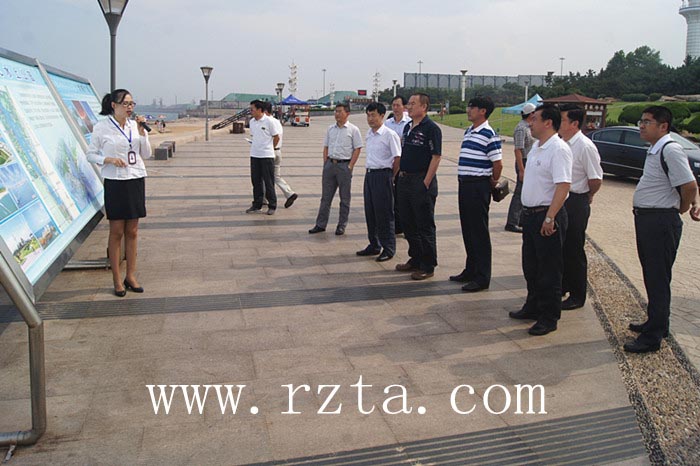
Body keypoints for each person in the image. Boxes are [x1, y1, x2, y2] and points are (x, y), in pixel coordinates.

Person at [625, 106, 700, 353]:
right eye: (641, 121)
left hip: (660, 221)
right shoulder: (656, 149)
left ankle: (653, 337)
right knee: (653, 274)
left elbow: (689, 185)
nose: (641, 126)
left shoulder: (670, 149)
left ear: (663, 126)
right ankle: (657, 322)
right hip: (649, 219)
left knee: (657, 277)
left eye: (647, 122)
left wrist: (681, 208)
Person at [508, 104, 572, 336]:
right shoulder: (537, 146)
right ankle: (533, 305)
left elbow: (563, 186)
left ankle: (549, 316)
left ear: (548, 123)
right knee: (531, 266)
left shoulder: (558, 149)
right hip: (530, 215)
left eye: (534, 119)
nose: (530, 123)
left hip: (546, 216)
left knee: (549, 270)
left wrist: (550, 217)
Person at [86, 89, 151, 297]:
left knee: (133, 231)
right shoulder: (102, 127)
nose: (129, 107)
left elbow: (146, 154)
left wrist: (142, 133)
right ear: (114, 105)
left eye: (132, 104)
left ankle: (130, 275)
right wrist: (108, 160)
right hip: (115, 181)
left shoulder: (134, 126)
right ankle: (116, 279)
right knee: (116, 231)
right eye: (125, 104)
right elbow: (90, 155)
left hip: (135, 178)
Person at [449, 96, 503, 292]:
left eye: (472, 107)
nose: (468, 110)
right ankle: (470, 269)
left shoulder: (489, 134)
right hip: (465, 185)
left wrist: (492, 181)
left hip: (478, 186)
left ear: (483, 111)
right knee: (468, 229)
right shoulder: (469, 131)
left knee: (479, 232)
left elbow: (498, 164)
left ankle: (482, 277)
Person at [558, 104, 603, 310]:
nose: (558, 123)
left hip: (576, 200)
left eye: (562, 120)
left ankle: (577, 295)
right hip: (562, 199)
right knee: (562, 247)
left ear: (574, 123)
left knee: (574, 249)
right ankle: (563, 285)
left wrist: (588, 195)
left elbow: (595, 179)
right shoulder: (562, 143)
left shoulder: (584, 146)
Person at [395, 93, 442, 280]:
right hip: (404, 180)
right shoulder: (408, 127)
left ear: (424, 107)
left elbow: (436, 157)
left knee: (424, 225)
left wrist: (426, 182)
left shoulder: (432, 129)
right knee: (408, 223)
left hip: (421, 180)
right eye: (409, 103)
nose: (409, 106)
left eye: (413, 103)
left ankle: (428, 265)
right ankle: (415, 258)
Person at [356, 102, 401, 262]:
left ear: (382, 116)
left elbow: (397, 158)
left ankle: (388, 248)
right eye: (368, 115)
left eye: (373, 115)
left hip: (383, 175)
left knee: (384, 213)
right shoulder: (369, 133)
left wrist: (390, 176)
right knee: (371, 212)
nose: (370, 118)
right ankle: (374, 244)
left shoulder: (390, 134)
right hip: (370, 175)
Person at [309, 103, 363, 235]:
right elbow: (326, 146)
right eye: (336, 111)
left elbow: (357, 148)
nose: (337, 114)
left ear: (347, 113)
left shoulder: (353, 129)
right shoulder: (330, 129)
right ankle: (320, 224)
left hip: (344, 166)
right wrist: (325, 163)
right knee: (325, 198)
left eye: (339, 111)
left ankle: (341, 225)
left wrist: (350, 166)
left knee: (344, 198)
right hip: (330, 165)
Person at [505, 102, 537, 233]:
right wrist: (521, 170)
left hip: (529, 161)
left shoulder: (530, 126)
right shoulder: (521, 128)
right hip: (523, 161)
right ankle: (512, 222)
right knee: (519, 193)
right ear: (531, 114)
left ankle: (521, 220)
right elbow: (518, 150)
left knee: (526, 192)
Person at [246, 100, 279, 215]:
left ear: (260, 110)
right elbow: (254, 136)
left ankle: (272, 205)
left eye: (252, 109)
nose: (251, 111)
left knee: (269, 181)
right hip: (255, 155)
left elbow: (276, 137)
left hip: (267, 156)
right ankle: (257, 204)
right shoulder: (252, 122)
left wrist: (270, 148)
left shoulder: (269, 121)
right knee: (256, 181)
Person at [384, 95, 411, 235]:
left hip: (406, 165)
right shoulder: (387, 123)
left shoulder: (410, 122)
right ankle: (396, 226)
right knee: (393, 197)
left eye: (398, 105)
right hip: (391, 164)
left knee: (405, 198)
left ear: (404, 107)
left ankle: (407, 227)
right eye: (393, 105)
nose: (395, 108)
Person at [264, 101, 298, 208]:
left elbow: (275, 137)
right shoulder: (277, 121)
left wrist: (270, 148)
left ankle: (264, 199)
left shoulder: (267, 122)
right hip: (278, 151)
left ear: (264, 111)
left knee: (264, 176)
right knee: (276, 176)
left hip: (270, 152)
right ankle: (289, 193)